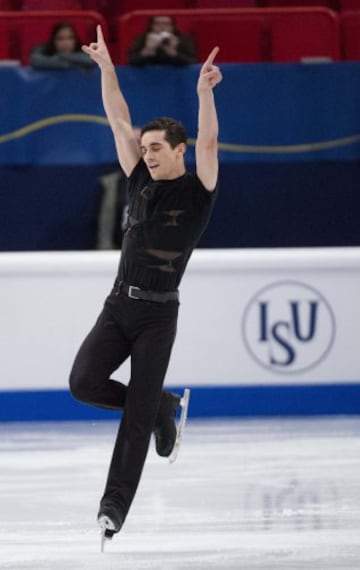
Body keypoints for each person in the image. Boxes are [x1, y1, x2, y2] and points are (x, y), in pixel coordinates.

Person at [69, 25, 222, 546]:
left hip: (159, 316)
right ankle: (160, 404)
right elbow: (116, 118)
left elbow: (210, 140)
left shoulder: (199, 190)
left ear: (178, 150)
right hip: (118, 306)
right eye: (145, 147)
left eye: (156, 147)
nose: (147, 153)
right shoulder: (137, 178)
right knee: (84, 382)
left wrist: (204, 94)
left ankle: (113, 510)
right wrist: (107, 69)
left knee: (133, 423)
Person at [127, 15, 197, 67]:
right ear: (151, 26)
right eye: (158, 24)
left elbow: (192, 63)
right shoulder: (143, 38)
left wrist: (174, 53)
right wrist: (148, 50)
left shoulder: (182, 39)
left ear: (172, 27)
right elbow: (131, 62)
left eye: (166, 24)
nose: (162, 27)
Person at [30, 22, 95, 70]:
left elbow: (91, 60)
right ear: (53, 41)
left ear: (75, 40)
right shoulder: (43, 50)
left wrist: (62, 56)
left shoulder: (83, 51)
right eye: (60, 38)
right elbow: (35, 60)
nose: (65, 43)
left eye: (70, 38)